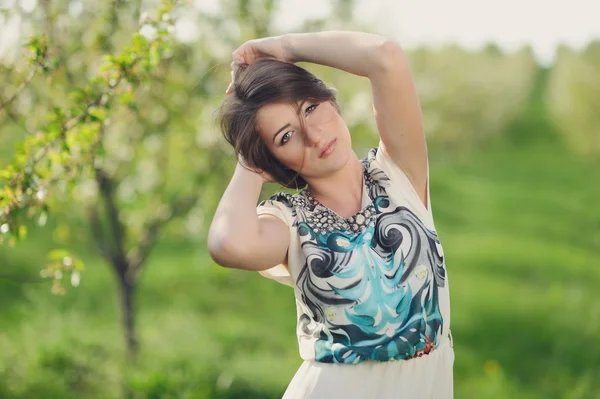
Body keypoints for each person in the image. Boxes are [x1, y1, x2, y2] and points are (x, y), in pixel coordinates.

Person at [208, 31, 454, 399]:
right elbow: (228, 243)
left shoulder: (398, 175)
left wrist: (285, 48)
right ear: (273, 163)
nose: (314, 134)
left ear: (330, 102)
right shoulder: (288, 222)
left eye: (310, 108)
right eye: (286, 137)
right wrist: (249, 151)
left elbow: (385, 56)